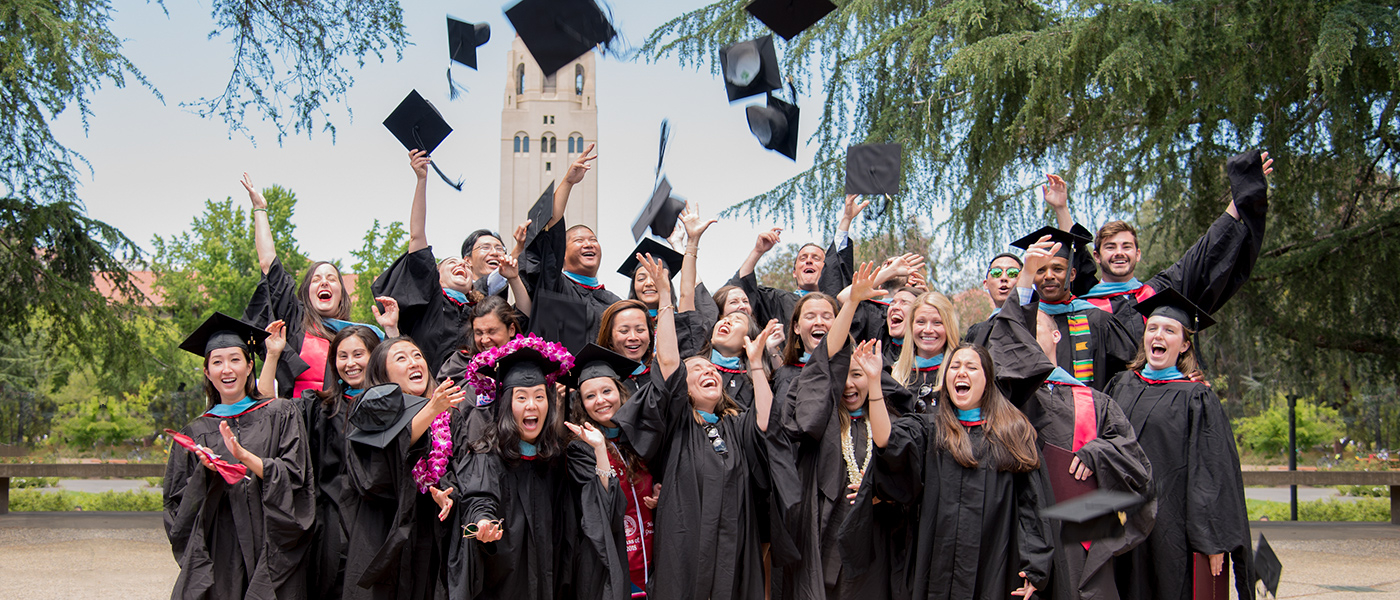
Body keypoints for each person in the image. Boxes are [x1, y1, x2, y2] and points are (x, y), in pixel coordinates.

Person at [991, 236, 1156, 600]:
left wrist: (1097, 453)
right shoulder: (1008, 397)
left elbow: (1136, 464)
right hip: (1021, 529)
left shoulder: (1096, 401)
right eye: (1020, 333)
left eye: (1033, 330)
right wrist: (1023, 281)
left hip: (1080, 533)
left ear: (1055, 336)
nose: (1026, 340)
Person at [613, 252, 777, 600]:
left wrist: (757, 365)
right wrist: (666, 298)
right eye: (698, 371)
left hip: (734, 541)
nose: (709, 372)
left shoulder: (734, 426)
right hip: (686, 542)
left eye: (713, 370)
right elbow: (670, 361)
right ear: (681, 390)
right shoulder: (677, 423)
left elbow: (764, 420)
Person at [843, 340, 1053, 600]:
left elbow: (1031, 505)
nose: (961, 372)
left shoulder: (1012, 434)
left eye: (971, 367)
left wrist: (1035, 567)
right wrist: (874, 382)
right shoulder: (930, 430)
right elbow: (887, 441)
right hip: (936, 564)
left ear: (987, 379)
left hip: (992, 564)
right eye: (954, 366)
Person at [448, 337, 628, 600]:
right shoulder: (488, 455)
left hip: (554, 579)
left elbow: (600, 505)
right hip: (506, 582)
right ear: (506, 404)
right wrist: (483, 522)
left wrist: (600, 450)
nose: (531, 405)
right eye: (521, 397)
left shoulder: (557, 458)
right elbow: (480, 497)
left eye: (539, 396)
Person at [1104, 289, 1253, 600]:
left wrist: (1211, 539)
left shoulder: (1196, 397)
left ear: (1184, 344)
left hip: (1169, 526)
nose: (1159, 335)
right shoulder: (1121, 384)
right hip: (1118, 520)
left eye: (1170, 330)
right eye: (1153, 328)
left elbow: (1211, 471)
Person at [163, 312, 315, 600]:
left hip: (271, 538)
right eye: (217, 362)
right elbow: (175, 505)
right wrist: (204, 474)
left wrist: (245, 457)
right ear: (207, 372)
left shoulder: (280, 414)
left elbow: (298, 477)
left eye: (235, 359)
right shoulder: (194, 433)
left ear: (248, 365)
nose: (226, 369)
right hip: (220, 547)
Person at [774, 262, 900, 599]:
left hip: (869, 522)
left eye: (828, 315)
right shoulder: (792, 379)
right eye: (810, 316)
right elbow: (825, 363)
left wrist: (881, 489)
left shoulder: (867, 371)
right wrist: (852, 302)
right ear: (795, 327)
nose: (848, 383)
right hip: (816, 505)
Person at [1073, 152, 1274, 342]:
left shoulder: (1155, 293)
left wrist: (1243, 193)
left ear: (1138, 254)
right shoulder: (1085, 305)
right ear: (1097, 256)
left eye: (1126, 246)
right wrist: (1061, 208)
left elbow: (1203, 255)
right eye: (1111, 247)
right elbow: (1073, 264)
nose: (1119, 253)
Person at [239, 172, 399, 398]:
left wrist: (391, 329)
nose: (324, 281)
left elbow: (393, 367)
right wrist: (260, 209)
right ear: (306, 293)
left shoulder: (363, 335)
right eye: (316, 279)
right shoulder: (294, 322)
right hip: (299, 424)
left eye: (332, 279)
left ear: (341, 294)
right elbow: (269, 265)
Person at [373, 150, 531, 375]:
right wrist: (421, 180)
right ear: (435, 275)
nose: (462, 266)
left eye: (466, 267)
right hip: (423, 394)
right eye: (452, 263)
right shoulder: (429, 304)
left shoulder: (479, 311)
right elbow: (417, 237)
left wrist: (513, 276)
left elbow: (523, 315)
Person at [341, 337, 466, 600]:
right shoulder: (367, 411)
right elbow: (374, 476)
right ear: (382, 372)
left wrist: (444, 491)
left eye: (418, 355)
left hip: (429, 531)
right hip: (384, 531)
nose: (414, 362)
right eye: (401, 358)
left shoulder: (447, 413)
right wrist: (430, 410)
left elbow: (456, 466)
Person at [562, 343, 659, 598]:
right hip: (613, 561)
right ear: (581, 404)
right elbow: (600, 506)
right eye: (590, 396)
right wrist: (599, 449)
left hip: (657, 553)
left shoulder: (641, 435)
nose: (601, 400)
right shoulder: (579, 450)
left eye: (607, 390)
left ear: (620, 391)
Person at [301, 324, 383, 600]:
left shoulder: (394, 406)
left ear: (375, 356)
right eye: (342, 356)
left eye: (359, 354)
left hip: (377, 521)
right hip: (332, 522)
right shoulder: (321, 408)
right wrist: (274, 356)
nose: (350, 364)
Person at [1010, 225, 1136, 391]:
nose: (1049, 276)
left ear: (1072, 274)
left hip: (1090, 412)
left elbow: (1127, 375)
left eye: (1058, 269)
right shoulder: (1023, 320)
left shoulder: (1098, 321)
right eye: (1040, 270)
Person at [519, 144, 617, 346]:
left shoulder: (613, 301)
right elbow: (550, 228)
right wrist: (568, 182)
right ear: (562, 253)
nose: (588, 245)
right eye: (579, 241)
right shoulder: (556, 287)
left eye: (593, 240)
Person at [889, 291, 961, 412]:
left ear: (949, 326)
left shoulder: (960, 376)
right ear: (911, 326)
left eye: (937, 322)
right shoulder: (893, 376)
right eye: (921, 322)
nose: (928, 330)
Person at [964, 253, 1023, 347]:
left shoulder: (1034, 323)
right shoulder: (976, 332)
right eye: (996, 273)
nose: (1004, 278)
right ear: (985, 284)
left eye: (1012, 273)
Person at [597, 299, 656, 393]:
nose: (633, 337)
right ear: (609, 338)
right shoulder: (598, 382)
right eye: (624, 331)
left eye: (640, 330)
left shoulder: (660, 377)